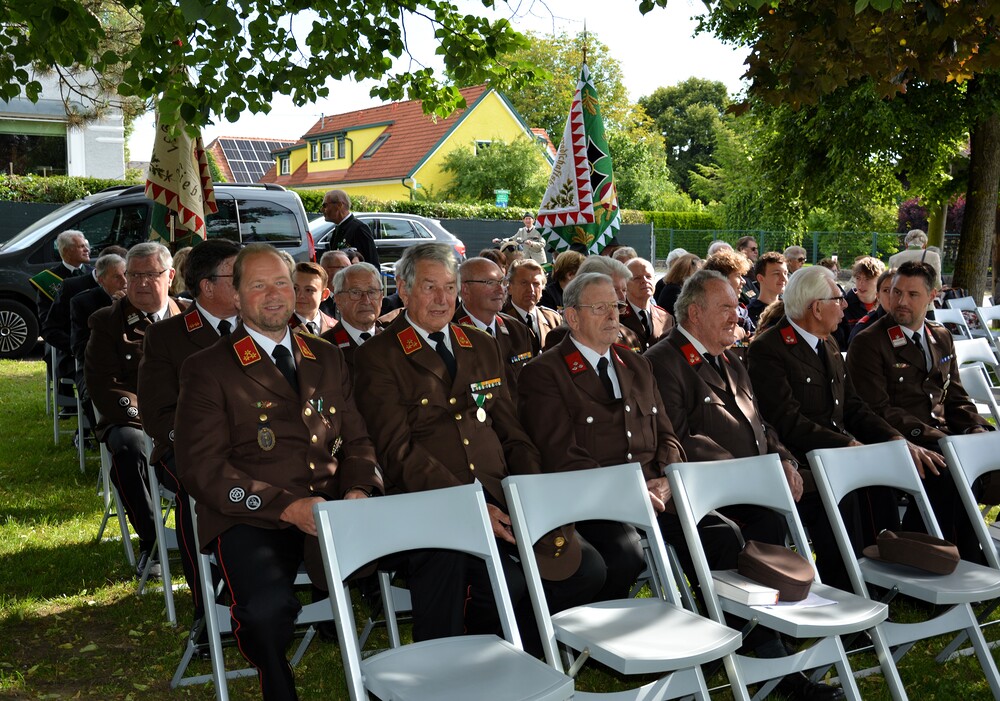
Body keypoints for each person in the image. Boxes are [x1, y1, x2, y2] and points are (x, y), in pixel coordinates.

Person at [353, 242, 603, 651]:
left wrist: (531, 490)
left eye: (449, 287)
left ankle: (524, 651)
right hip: (431, 501)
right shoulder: (379, 356)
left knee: (586, 569)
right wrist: (469, 505)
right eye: (430, 287)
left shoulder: (481, 344)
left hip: (500, 490)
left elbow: (511, 431)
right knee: (507, 583)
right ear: (403, 289)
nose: (442, 299)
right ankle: (478, 655)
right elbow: (397, 452)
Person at [174, 243, 382, 701]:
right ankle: (277, 684)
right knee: (265, 613)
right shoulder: (208, 368)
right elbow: (202, 466)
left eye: (282, 284)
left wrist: (359, 489)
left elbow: (358, 439)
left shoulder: (326, 356)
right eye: (258, 285)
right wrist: (288, 507)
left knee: (434, 554)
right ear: (235, 296)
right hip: (252, 515)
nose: (273, 295)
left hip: (332, 509)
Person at [747, 265, 942, 589]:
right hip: (802, 456)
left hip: (838, 451)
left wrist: (894, 440)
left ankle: (889, 573)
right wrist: (848, 446)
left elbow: (853, 407)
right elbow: (786, 420)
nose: (845, 305)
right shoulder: (770, 348)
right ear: (816, 307)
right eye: (838, 299)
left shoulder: (827, 344)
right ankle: (849, 585)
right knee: (859, 484)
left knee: (889, 472)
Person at [518, 272, 680, 601]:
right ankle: (602, 631)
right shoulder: (544, 372)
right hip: (594, 499)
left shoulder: (637, 365)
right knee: (625, 555)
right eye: (599, 308)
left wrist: (668, 477)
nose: (612, 315)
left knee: (719, 533)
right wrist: (630, 491)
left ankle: (730, 626)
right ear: (573, 317)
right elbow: (561, 455)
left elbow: (668, 435)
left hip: (656, 493)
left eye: (616, 306)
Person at [847, 261, 989, 561]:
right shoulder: (870, 341)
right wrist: (941, 438)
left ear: (932, 296)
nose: (901, 301)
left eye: (912, 294)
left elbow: (955, 396)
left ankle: (968, 551)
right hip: (901, 440)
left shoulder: (940, 336)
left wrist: (976, 428)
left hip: (942, 438)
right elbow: (877, 409)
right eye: (896, 292)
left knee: (986, 464)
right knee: (951, 472)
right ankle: (955, 558)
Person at [137, 239, 240, 645]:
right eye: (237, 275)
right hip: (187, 449)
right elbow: (157, 414)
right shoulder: (167, 336)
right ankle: (208, 607)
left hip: (256, 445)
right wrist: (205, 446)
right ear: (207, 286)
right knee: (195, 488)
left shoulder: (263, 327)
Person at [85, 242, 188, 579]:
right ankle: (152, 540)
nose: (141, 283)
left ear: (169, 276)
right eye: (134, 275)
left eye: (151, 275)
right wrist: (153, 422)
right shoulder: (107, 322)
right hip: (135, 419)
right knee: (129, 446)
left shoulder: (191, 317)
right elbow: (105, 384)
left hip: (191, 416)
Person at [453, 257, 534, 395]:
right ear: (465, 289)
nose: (501, 290)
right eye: (490, 282)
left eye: (502, 282)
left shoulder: (518, 330)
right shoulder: (449, 334)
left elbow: (530, 385)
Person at [33, 230, 92, 410]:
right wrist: (72, 344)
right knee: (53, 353)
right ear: (66, 251)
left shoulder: (94, 274)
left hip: (90, 334)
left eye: (86, 245)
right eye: (81, 246)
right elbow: (46, 321)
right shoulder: (49, 279)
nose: (87, 249)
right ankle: (67, 400)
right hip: (64, 337)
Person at [320, 262, 384, 374]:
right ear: (338, 300)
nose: (366, 301)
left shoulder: (393, 342)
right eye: (356, 293)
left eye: (372, 292)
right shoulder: (323, 348)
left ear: (381, 297)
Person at [502, 259, 563, 355]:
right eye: (524, 283)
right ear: (509, 288)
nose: (531, 289)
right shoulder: (499, 321)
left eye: (536, 284)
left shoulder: (553, 319)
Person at [619, 257, 673, 351]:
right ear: (624, 284)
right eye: (637, 278)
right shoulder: (616, 316)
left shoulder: (666, 318)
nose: (644, 281)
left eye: (648, 276)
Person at [703, 249, 755, 340]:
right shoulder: (704, 311)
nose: (743, 281)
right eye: (738, 276)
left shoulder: (741, 311)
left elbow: (752, 335)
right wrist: (737, 335)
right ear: (721, 279)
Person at [835, 256, 885, 349]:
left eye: (867, 279)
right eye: (858, 278)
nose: (861, 283)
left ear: (879, 281)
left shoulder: (885, 306)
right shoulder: (844, 306)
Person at [320, 189, 379, 267]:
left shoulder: (359, 228)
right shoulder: (338, 229)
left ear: (339, 205)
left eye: (325, 205)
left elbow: (371, 263)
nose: (322, 210)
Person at [848, 267, 894, 344]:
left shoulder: (913, 322)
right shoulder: (865, 328)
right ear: (878, 295)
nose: (892, 296)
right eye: (886, 290)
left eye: (897, 291)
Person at [289, 262, 336, 335]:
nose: (300, 295)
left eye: (308, 290)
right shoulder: (279, 326)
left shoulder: (335, 328)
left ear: (324, 294)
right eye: (295, 288)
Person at [747, 251, 788, 328]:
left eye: (785, 273)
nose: (784, 278)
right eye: (777, 274)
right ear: (760, 278)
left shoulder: (790, 310)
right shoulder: (749, 314)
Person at [318, 250, 352, 317]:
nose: (350, 272)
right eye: (344, 268)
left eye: (351, 268)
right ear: (326, 270)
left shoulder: (352, 298)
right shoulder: (316, 299)